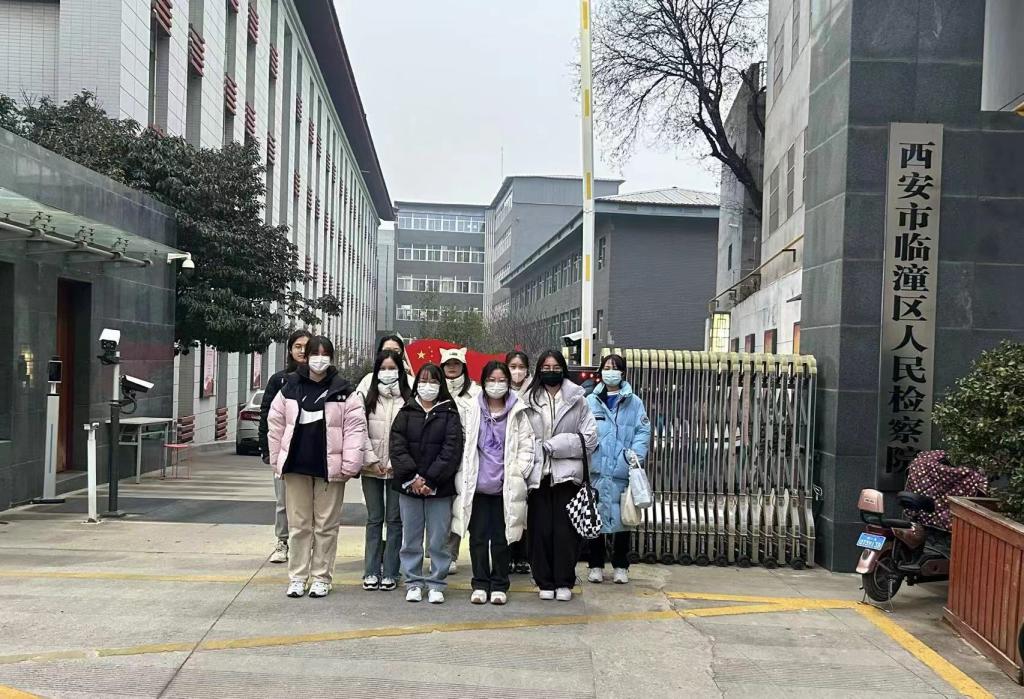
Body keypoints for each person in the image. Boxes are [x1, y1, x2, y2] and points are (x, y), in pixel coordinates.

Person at [267, 336, 367, 599]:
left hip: (329, 470)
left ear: (331, 358)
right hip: (296, 467)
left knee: (326, 526)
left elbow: (356, 429)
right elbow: (275, 424)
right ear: (306, 357)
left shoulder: (344, 390)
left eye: (325, 354)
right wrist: (277, 460)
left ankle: (322, 577)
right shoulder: (289, 387)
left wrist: (349, 465)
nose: (319, 359)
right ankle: (298, 577)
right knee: (299, 525)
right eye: (315, 353)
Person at [452, 361, 535, 605]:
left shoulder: (518, 411)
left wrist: (519, 472)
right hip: (477, 486)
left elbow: (527, 445)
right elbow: (461, 443)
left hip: (504, 487)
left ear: (508, 383)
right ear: (483, 381)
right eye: (491, 380)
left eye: (501, 380)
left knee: (501, 538)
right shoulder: (471, 409)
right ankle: (479, 583)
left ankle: (499, 584)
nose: (496, 385)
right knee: (477, 537)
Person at [523, 350, 598, 602]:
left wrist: (554, 445)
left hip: (568, 478)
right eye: (546, 367)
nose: (551, 371)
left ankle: (564, 580)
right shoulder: (527, 400)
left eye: (556, 367)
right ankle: (544, 581)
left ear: (563, 369)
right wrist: (536, 452)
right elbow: (522, 439)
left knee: (565, 533)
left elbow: (590, 439)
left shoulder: (578, 400)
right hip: (538, 476)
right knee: (540, 532)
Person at [390, 363, 464, 604]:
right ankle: (412, 581)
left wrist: (431, 479)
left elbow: (451, 449)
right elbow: (397, 446)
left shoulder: (450, 413)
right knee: (410, 538)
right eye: (423, 381)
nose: (427, 386)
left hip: (439, 488)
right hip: (409, 486)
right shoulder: (406, 411)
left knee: (438, 539)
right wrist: (412, 478)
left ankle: (436, 583)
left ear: (440, 385)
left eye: (433, 381)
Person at [585, 354, 651, 585]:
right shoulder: (590, 400)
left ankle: (621, 565)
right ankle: (595, 565)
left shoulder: (634, 402)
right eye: (606, 367)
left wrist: (633, 455)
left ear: (622, 372)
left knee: (624, 518)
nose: (610, 371)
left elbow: (643, 431)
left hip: (622, 471)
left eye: (614, 368)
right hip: (597, 470)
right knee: (595, 519)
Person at [357, 349, 411, 592]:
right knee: (374, 519)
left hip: (398, 470)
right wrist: (371, 460)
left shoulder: (408, 398)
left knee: (395, 521)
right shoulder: (367, 397)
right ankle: (371, 571)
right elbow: (359, 430)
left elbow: (411, 435)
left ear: (400, 370)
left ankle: (391, 572)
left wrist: (397, 463)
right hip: (371, 469)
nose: (388, 373)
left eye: (392, 368)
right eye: (383, 368)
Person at [259, 329, 312, 564]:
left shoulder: (320, 379)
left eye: (306, 346)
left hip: (310, 451)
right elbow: (267, 415)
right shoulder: (279, 380)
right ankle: (282, 542)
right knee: (283, 500)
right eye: (297, 346)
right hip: (284, 450)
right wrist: (266, 449)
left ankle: (307, 544)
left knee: (309, 503)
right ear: (290, 350)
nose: (302, 351)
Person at [439, 347, 479, 574]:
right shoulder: (434, 389)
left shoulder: (475, 392)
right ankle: (439, 553)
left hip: (466, 460)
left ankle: (452, 555)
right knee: (440, 510)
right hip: (440, 459)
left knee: (460, 507)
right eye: (448, 364)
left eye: (456, 364)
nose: (452, 367)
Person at [505, 349, 533, 574]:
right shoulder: (498, 391)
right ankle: (507, 555)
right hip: (504, 458)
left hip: (528, 456)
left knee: (525, 511)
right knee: (507, 509)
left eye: (521, 367)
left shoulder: (535, 392)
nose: (517, 371)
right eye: (512, 367)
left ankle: (523, 556)